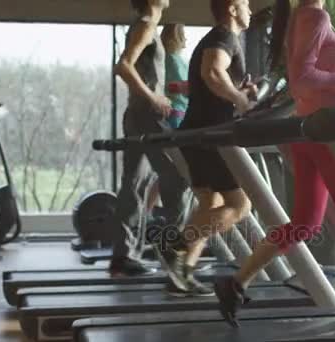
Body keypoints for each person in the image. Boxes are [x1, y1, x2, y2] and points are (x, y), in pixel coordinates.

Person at [214, 0, 335, 331]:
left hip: (305, 130)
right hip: (324, 131)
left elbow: (306, 77)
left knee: (305, 223)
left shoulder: (300, 16)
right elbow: (302, 80)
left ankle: (237, 282)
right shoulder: (315, 15)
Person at [157, 0, 256, 297]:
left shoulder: (220, 39)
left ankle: (182, 273)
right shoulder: (224, 36)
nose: (250, 10)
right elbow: (213, 73)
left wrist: (241, 91)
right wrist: (240, 99)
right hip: (209, 137)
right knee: (241, 206)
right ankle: (175, 245)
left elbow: (213, 79)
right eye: (247, 4)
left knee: (210, 206)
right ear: (233, 9)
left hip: (198, 134)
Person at [109, 0, 191, 277]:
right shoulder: (146, 25)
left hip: (138, 114)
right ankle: (173, 251)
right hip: (148, 116)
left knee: (135, 184)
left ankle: (125, 255)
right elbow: (123, 66)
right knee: (178, 178)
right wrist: (154, 97)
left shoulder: (149, 26)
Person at [145, 23, 192, 216]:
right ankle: (153, 212)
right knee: (177, 168)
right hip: (176, 115)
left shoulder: (176, 59)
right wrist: (187, 86)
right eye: (183, 35)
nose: (186, 39)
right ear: (177, 36)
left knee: (172, 169)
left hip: (181, 113)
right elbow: (170, 86)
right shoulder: (171, 59)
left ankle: (148, 211)